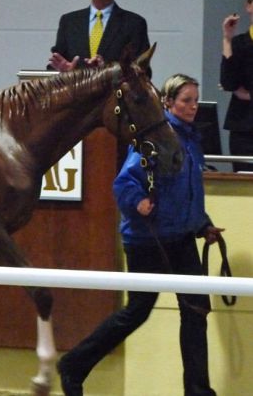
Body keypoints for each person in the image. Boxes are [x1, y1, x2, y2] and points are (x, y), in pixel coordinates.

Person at [58, 74, 224, 396]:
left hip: (180, 237)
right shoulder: (157, 136)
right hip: (147, 239)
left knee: (196, 312)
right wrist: (138, 202)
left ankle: (198, 391)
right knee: (137, 311)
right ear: (168, 102)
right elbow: (123, 183)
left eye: (195, 100)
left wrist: (203, 224)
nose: (193, 106)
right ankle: (74, 364)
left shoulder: (190, 138)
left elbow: (187, 192)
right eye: (186, 100)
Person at [48, 0, 149, 72]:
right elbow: (53, 67)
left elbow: (143, 72)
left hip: (112, 89)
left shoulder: (133, 24)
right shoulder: (69, 22)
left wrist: (108, 72)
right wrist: (64, 72)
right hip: (76, 88)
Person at [220, 0, 253, 172]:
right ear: (249, 6)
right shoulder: (239, 43)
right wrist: (227, 38)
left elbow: (241, 92)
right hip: (243, 127)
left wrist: (249, 94)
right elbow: (228, 83)